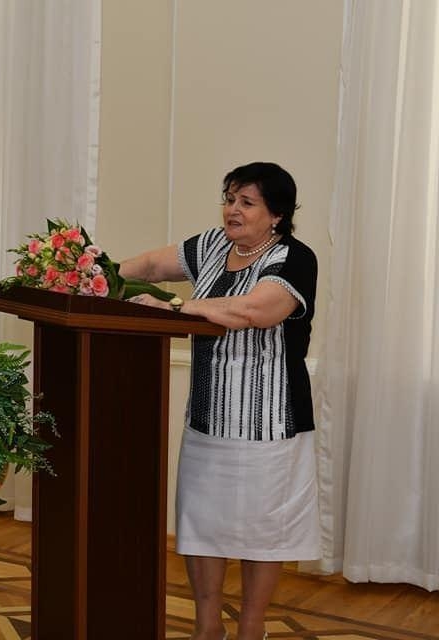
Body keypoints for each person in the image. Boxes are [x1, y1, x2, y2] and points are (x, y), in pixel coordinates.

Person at [119, 162, 319, 640]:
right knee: (201, 526)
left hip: (268, 423)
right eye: (229, 198)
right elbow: (149, 267)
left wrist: (175, 305)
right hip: (209, 418)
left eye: (247, 202)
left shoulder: (294, 257)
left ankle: (252, 628)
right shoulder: (212, 245)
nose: (233, 209)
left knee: (261, 533)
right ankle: (207, 627)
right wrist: (87, 277)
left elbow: (254, 310)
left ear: (276, 215)